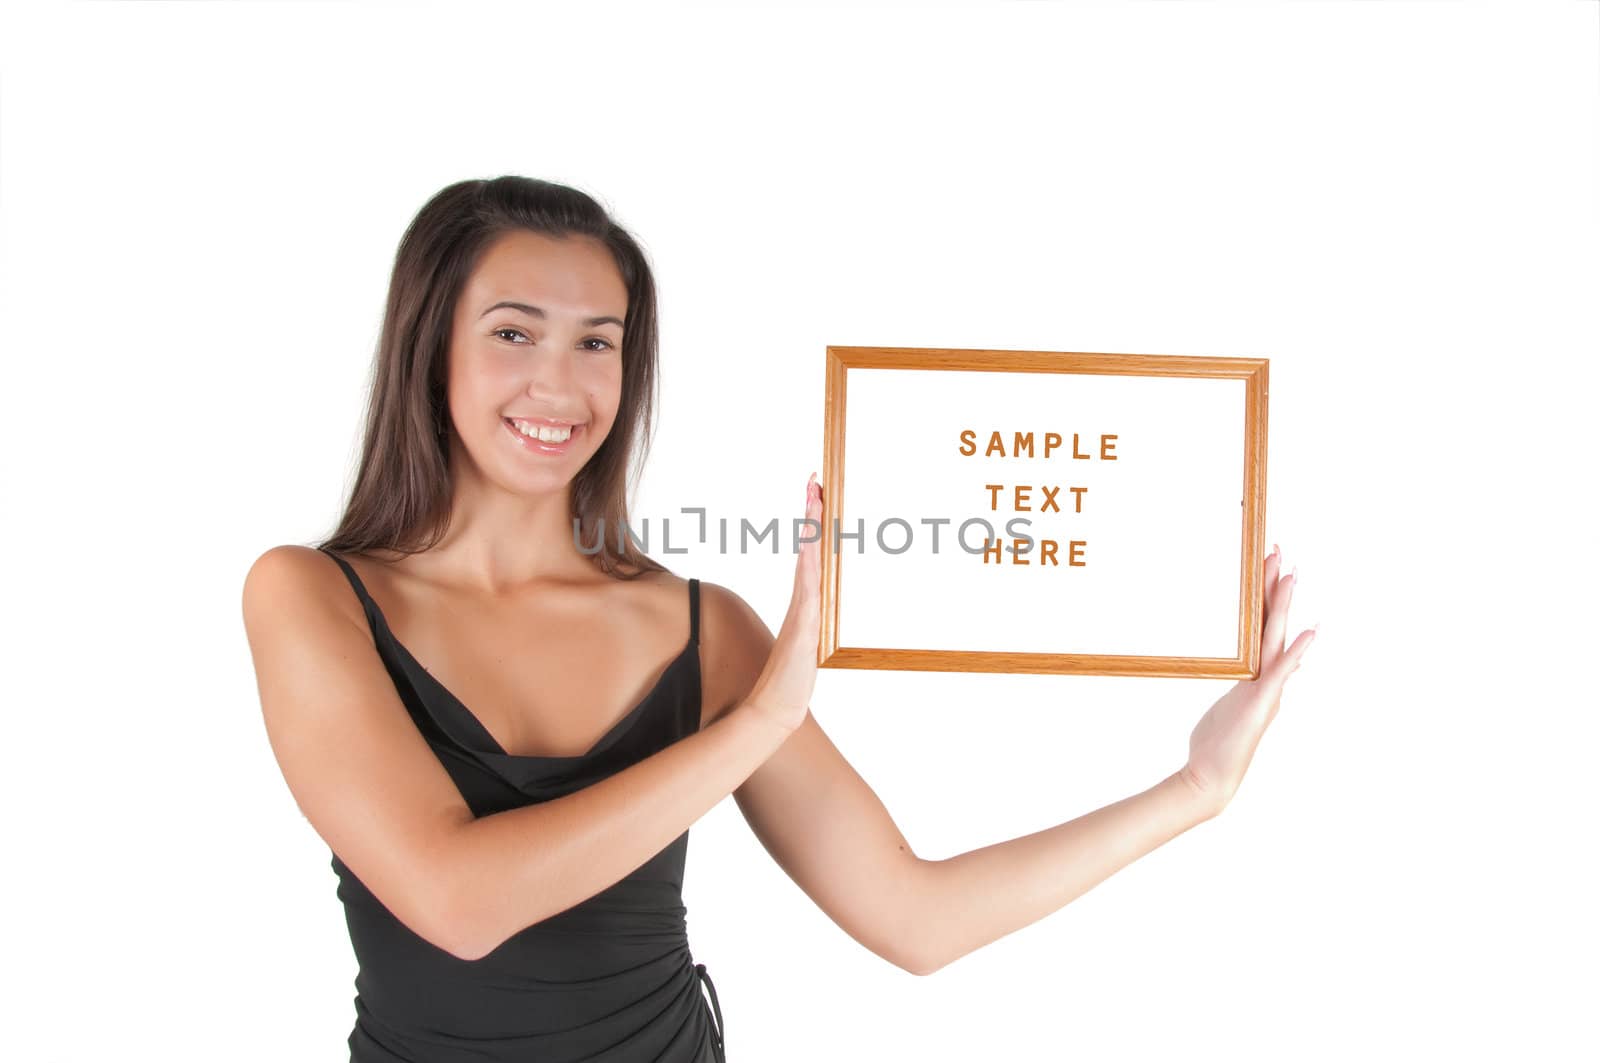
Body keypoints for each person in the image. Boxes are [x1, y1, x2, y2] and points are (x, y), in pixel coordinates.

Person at [241, 175, 1317, 1062]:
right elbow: (457, 902)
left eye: (596, 343)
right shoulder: (311, 595)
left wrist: (1194, 789)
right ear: (429, 344)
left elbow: (915, 918)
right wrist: (753, 723)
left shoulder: (705, 631)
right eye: (514, 332)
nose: (556, 385)